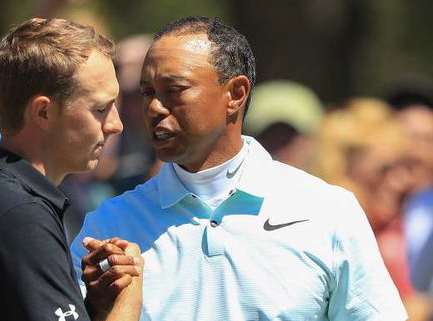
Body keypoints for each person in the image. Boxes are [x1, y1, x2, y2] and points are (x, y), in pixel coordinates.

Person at [71, 16, 407, 320]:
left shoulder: (327, 212)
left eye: (174, 90)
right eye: (147, 92)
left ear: (235, 93)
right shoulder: (108, 227)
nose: (155, 107)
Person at [0, 18, 143, 321]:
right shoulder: (22, 216)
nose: (115, 125)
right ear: (43, 112)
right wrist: (129, 298)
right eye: (99, 109)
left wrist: (93, 304)